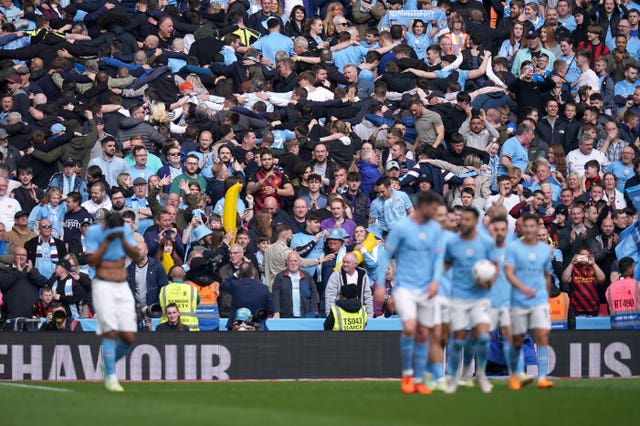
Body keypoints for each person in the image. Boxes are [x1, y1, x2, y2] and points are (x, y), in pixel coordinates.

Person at [374, 190, 445, 395]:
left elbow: (438, 259)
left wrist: (436, 280)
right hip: (404, 286)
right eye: (432, 208)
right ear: (423, 206)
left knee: (424, 333)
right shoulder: (402, 228)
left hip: (426, 288)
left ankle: (420, 379)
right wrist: (380, 284)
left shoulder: (434, 229)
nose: (434, 212)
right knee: (410, 327)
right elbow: (386, 256)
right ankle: (407, 374)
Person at [85, 212, 143, 392]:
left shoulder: (124, 230)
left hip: (122, 286)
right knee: (109, 331)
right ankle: (110, 376)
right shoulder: (94, 232)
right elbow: (92, 261)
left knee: (128, 337)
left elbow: (138, 256)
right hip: (103, 284)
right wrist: (107, 240)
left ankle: (108, 363)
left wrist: (123, 239)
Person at [443, 207, 497, 394]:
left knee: (482, 337)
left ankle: (478, 373)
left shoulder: (486, 242)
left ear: (475, 222)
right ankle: (452, 377)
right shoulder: (452, 243)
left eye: (467, 219)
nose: (463, 222)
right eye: (461, 219)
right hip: (458, 297)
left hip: (480, 297)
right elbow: (444, 265)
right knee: (457, 340)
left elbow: (495, 267)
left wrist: (488, 281)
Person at [504, 214, 554, 390]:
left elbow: (547, 276)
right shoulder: (513, 248)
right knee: (517, 339)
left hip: (539, 300)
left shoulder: (544, 250)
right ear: (523, 229)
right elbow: (508, 272)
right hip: (519, 299)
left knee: (542, 336)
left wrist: (546, 298)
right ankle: (517, 376)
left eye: (533, 226)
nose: (530, 229)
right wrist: (522, 287)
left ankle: (542, 378)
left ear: (537, 227)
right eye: (527, 226)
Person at [222, 262, 273, 330]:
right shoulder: (263, 288)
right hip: (257, 325)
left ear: (240, 273)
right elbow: (270, 309)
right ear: (253, 272)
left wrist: (235, 274)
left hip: (236, 326)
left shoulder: (234, 285)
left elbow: (224, 283)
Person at [324, 252, 374, 318]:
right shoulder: (335, 275)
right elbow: (330, 297)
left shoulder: (363, 275)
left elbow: (367, 296)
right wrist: (330, 315)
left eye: (348, 262)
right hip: (341, 315)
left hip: (359, 314)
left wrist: (370, 314)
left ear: (355, 264)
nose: (345, 264)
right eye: (343, 262)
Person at [158, 265, 200, 331]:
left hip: (168, 328)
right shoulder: (192, 289)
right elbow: (197, 303)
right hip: (191, 328)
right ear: (184, 275)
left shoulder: (164, 290)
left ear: (170, 275)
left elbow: (162, 305)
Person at [606, 257, 640, 329]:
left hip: (617, 330)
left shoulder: (610, 288)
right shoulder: (638, 285)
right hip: (636, 331)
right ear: (631, 268)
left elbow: (609, 309)